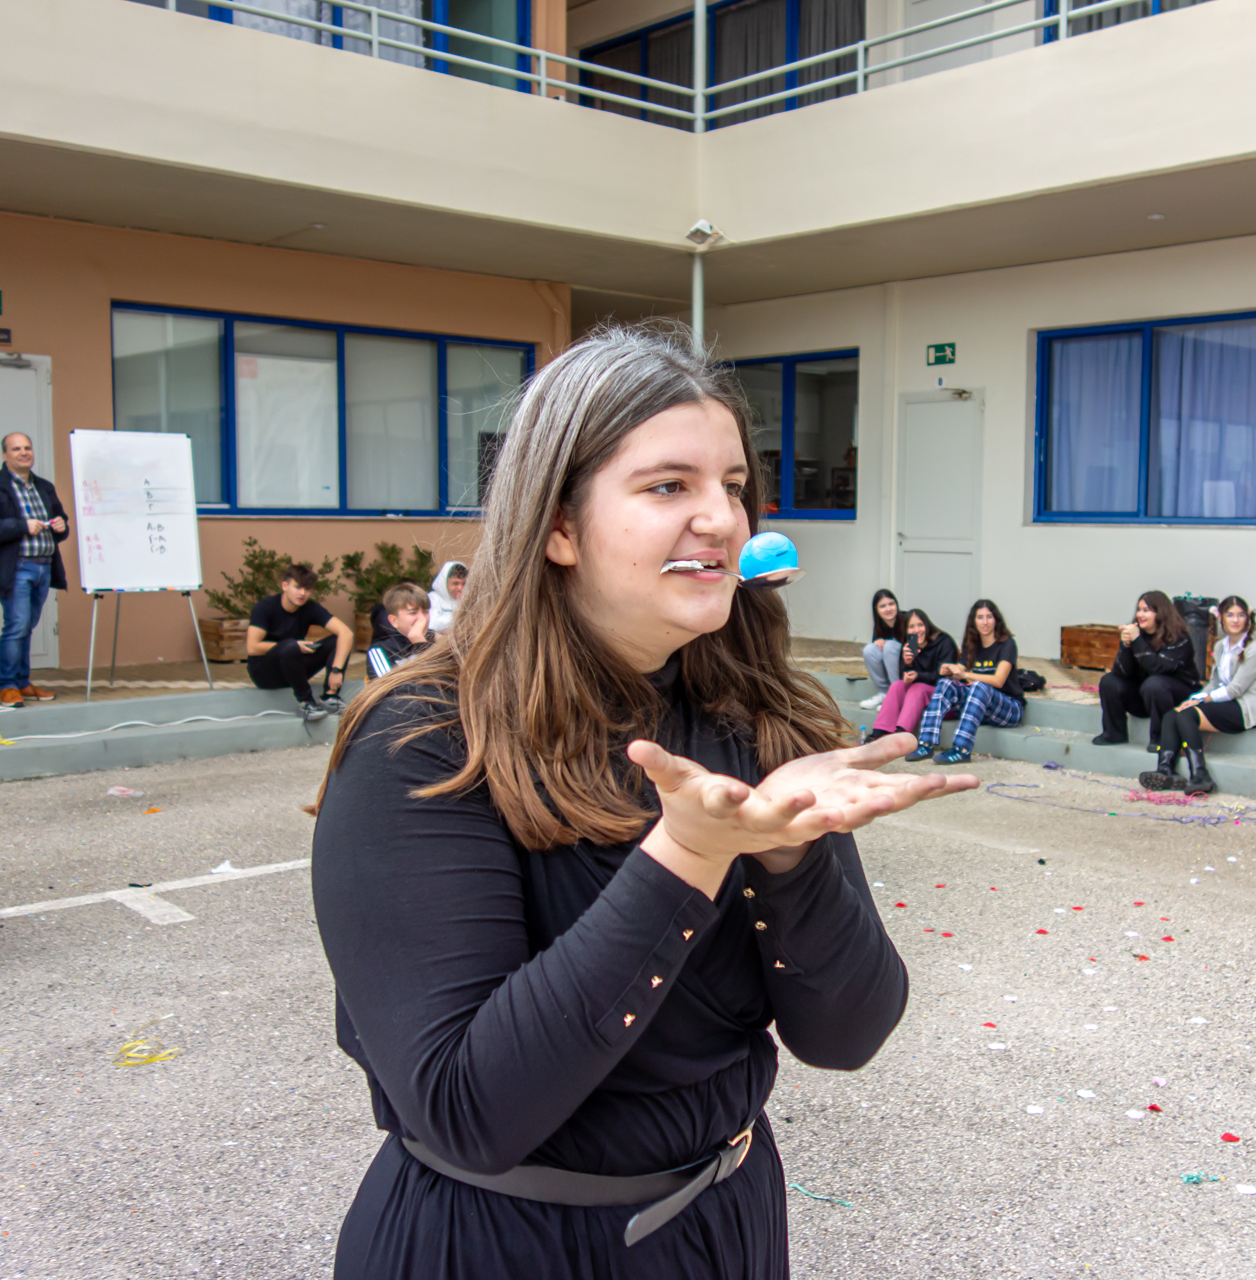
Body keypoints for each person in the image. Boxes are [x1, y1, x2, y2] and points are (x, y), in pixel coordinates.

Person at [308, 325, 976, 1280]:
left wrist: (791, 859)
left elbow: (848, 1034)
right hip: (505, 1245)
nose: (721, 518)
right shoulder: (425, 738)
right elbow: (467, 1110)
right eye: (669, 486)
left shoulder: (755, 714)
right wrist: (688, 857)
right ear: (558, 527)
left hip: (725, 1221)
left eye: (733, 486)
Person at [0, 432, 69, 707]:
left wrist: (61, 525)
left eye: (27, 448)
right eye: (16, 449)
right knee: (17, 626)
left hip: (44, 567)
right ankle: (7, 686)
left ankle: (22, 683)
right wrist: (21, 525)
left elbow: (59, 522)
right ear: (4, 455)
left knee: (27, 627)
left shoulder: (44, 486)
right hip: (17, 569)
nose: (24, 453)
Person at [1139, 595, 1256, 795]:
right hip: (1223, 701)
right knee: (1173, 713)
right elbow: (1214, 683)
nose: (1235, 620)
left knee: (1186, 715)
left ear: (1247, 619)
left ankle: (1200, 774)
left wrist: (1205, 699)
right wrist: (1194, 699)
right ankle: (1165, 769)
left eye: (1240, 615)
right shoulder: (1220, 646)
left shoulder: (1255, 649)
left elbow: (1236, 690)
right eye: (1230, 615)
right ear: (1221, 618)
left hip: (1243, 708)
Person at [907, 599, 1023, 766]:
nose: (985, 622)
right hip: (982, 709)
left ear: (996, 620)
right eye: (980, 617)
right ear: (973, 621)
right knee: (945, 684)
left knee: (979, 686)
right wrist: (949, 670)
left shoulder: (1006, 644)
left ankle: (961, 750)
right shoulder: (973, 645)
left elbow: (998, 681)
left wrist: (966, 674)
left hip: (1010, 708)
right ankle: (925, 744)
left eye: (989, 617)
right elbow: (959, 672)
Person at [245, 563, 354, 723]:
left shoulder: (309, 608)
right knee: (290, 646)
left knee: (338, 641)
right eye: (298, 587)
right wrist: (293, 645)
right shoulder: (265, 607)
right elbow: (252, 647)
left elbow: (346, 633)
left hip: (294, 668)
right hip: (265, 673)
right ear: (285, 586)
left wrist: (336, 670)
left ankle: (330, 697)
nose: (302, 593)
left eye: (307, 589)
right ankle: (306, 703)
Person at [1093, 590, 1199, 750]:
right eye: (1139, 610)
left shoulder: (1178, 638)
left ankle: (1162, 739)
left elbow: (1158, 668)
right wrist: (1126, 645)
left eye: (1146, 610)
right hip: (1146, 696)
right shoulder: (1137, 634)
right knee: (1109, 681)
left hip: (1177, 697)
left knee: (1155, 684)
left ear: (1161, 613)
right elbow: (1122, 672)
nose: (1140, 615)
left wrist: (1136, 640)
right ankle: (1114, 734)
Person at [861, 608, 955, 744]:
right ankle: (878, 734)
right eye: (911, 627)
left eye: (920, 625)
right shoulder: (910, 644)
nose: (917, 630)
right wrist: (908, 663)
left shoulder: (943, 642)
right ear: (906, 630)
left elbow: (944, 678)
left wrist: (917, 675)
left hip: (944, 700)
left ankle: (901, 737)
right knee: (897, 685)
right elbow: (905, 677)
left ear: (927, 625)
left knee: (918, 688)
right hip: (918, 698)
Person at [365, 581, 432, 679]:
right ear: (394, 621)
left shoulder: (436, 640)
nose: (423, 619)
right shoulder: (380, 650)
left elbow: (447, 680)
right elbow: (389, 686)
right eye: (413, 613)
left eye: (426, 612)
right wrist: (421, 646)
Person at [858, 589, 907, 711]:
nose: (888, 609)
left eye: (891, 604)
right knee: (869, 649)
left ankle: (897, 695)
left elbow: (916, 648)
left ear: (896, 604)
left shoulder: (907, 619)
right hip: (893, 666)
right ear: (876, 609)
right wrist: (878, 642)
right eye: (883, 606)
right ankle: (884, 693)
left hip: (909, 669)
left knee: (890, 646)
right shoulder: (880, 624)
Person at [427, 561, 468, 634]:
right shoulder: (433, 598)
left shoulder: (467, 598)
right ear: (445, 582)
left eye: (463, 584)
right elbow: (431, 624)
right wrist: (460, 617)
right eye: (455, 583)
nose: (460, 588)